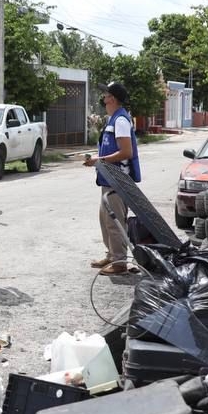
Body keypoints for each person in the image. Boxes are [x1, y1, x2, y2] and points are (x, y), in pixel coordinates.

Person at [83, 81, 141, 275]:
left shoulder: (121, 121)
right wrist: (97, 160)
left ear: (113, 99)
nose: (104, 98)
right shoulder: (113, 119)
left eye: (106, 95)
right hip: (108, 179)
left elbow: (126, 151)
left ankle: (119, 263)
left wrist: (99, 160)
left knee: (115, 221)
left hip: (118, 180)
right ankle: (111, 255)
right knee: (105, 219)